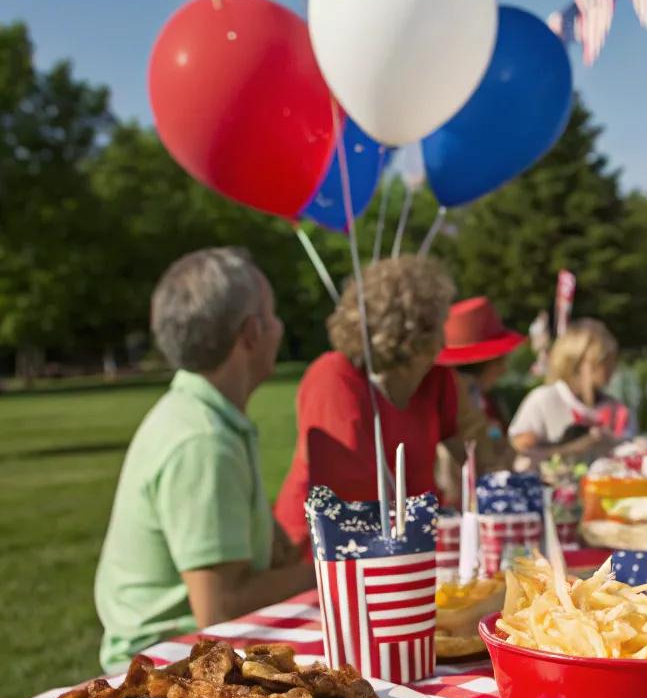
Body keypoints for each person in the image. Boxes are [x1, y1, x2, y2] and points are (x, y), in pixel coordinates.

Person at [95, 248, 311, 671]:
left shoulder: (206, 416)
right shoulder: (204, 439)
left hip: (187, 656)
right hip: (160, 671)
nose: (280, 327)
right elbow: (220, 606)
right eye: (274, 313)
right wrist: (335, 572)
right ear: (251, 333)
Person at [275, 256, 461, 549]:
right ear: (415, 334)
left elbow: (474, 453)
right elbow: (349, 502)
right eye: (441, 324)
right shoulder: (334, 378)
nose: (445, 341)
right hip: (327, 556)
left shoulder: (435, 383)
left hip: (408, 550)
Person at [508, 318, 635, 464]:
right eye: (604, 360)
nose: (612, 367)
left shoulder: (616, 409)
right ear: (579, 361)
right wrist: (576, 448)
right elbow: (520, 452)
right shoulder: (545, 400)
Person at [434, 297, 523, 500]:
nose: (504, 369)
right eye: (500, 361)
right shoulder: (461, 394)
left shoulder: (481, 396)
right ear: (484, 362)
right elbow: (477, 451)